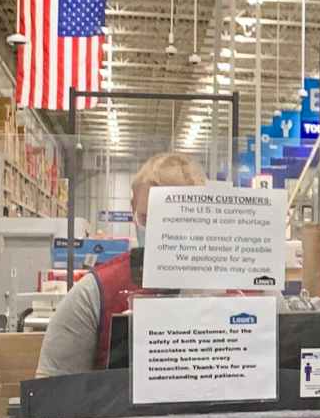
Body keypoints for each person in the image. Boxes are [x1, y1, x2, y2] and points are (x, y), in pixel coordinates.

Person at [35, 151, 208, 376]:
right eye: (148, 219)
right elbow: (49, 395)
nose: (161, 234)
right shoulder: (95, 293)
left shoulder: (229, 290)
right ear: (133, 208)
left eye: (176, 220)